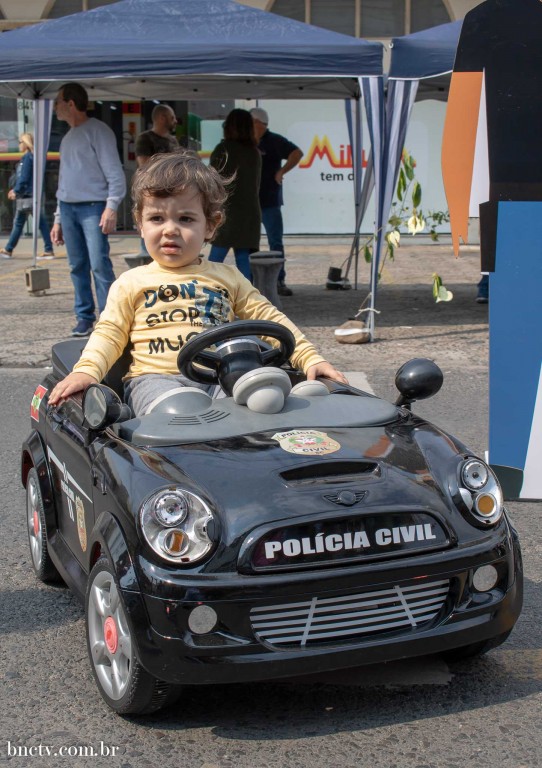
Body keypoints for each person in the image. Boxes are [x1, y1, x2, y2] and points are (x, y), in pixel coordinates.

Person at [48, 152, 347, 415]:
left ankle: (291, 404)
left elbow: (269, 320)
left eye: (186, 219)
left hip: (220, 377)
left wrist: (309, 358)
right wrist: (86, 372)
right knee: (175, 410)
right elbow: (109, 334)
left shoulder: (227, 277)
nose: (170, 230)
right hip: (154, 380)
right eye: (157, 219)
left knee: (258, 401)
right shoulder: (131, 282)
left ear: (211, 225)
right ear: (140, 223)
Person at [51, 82, 126, 338]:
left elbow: (115, 173)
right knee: (77, 265)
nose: (55, 107)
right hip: (68, 207)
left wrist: (111, 206)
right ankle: (84, 317)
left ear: (70, 103)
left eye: (58, 102)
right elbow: (64, 181)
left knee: (98, 264)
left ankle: (108, 318)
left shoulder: (98, 131)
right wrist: (58, 218)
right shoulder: (68, 137)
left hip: (93, 206)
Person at [250, 107, 303, 297]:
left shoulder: (274, 140)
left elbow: (297, 153)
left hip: (269, 200)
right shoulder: (245, 141)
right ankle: (251, 282)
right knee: (250, 243)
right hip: (249, 202)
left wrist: (282, 171)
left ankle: (279, 280)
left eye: (251, 122)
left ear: (259, 123)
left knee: (275, 241)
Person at [207, 108, 261, 281]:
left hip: (226, 211)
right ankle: (247, 295)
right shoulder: (254, 152)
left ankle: (205, 289)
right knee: (243, 258)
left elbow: (211, 180)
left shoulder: (223, 149)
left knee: (215, 259)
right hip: (249, 212)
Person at [0, 133, 54, 260]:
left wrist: (16, 191)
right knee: (26, 223)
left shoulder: (27, 158)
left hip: (27, 197)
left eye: (20, 142)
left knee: (32, 223)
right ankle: (8, 249)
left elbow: (24, 178)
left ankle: (48, 250)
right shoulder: (30, 157)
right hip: (28, 196)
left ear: (26, 143)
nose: (19, 145)